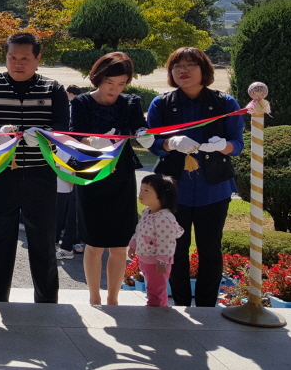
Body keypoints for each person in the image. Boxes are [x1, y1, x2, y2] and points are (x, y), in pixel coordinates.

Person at [147, 47, 244, 307]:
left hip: (213, 188)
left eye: (190, 65)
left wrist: (222, 145)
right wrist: (170, 143)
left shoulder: (225, 102)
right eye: (177, 66)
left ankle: (206, 306)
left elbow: (238, 144)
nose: (183, 71)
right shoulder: (162, 103)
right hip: (173, 189)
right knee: (174, 249)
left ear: (205, 70)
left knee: (210, 250)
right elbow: (152, 142)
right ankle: (179, 303)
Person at [0, 32, 70, 303]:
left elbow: (61, 129)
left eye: (24, 58)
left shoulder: (52, 87)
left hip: (39, 172)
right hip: (0, 171)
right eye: (12, 58)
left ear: (37, 59)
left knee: (42, 238)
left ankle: (46, 301)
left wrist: (43, 135)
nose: (18, 63)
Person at [70, 52, 148, 306]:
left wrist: (144, 134)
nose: (115, 89)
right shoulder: (81, 102)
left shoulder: (131, 102)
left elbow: (138, 127)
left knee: (119, 244)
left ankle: (113, 298)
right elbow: (72, 134)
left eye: (121, 84)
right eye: (110, 83)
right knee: (94, 243)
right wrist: (90, 142)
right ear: (98, 78)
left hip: (122, 175)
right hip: (92, 174)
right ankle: (94, 298)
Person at [129, 174, 183, 307]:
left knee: (156, 290)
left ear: (162, 195)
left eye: (147, 190)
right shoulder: (147, 212)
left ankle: (156, 312)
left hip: (156, 262)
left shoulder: (164, 218)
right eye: (141, 189)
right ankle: (159, 309)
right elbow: (139, 231)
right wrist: (133, 245)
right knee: (153, 287)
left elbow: (166, 242)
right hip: (146, 259)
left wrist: (162, 260)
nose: (141, 193)